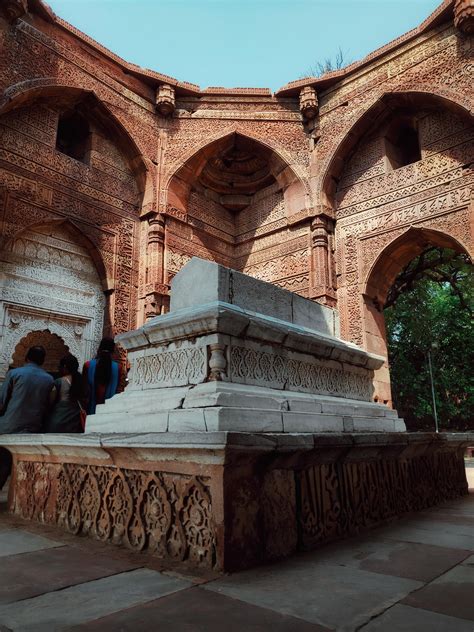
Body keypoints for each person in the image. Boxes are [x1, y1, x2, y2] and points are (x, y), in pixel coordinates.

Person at [0, 345, 54, 490]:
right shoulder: (49, 379)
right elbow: (46, 407)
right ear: (43, 361)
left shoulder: (15, 373)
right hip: (32, 429)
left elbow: (1, 402)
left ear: (26, 357)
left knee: (3, 465)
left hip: (8, 427)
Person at [45, 354, 83, 433]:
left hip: (59, 419)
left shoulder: (59, 381)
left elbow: (50, 401)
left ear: (65, 367)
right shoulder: (82, 381)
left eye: (60, 367)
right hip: (75, 423)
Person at [82, 337, 121, 415]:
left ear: (99, 349)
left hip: (91, 410)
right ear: (113, 351)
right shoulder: (118, 368)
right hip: (109, 411)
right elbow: (117, 390)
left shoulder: (88, 365)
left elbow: (84, 390)